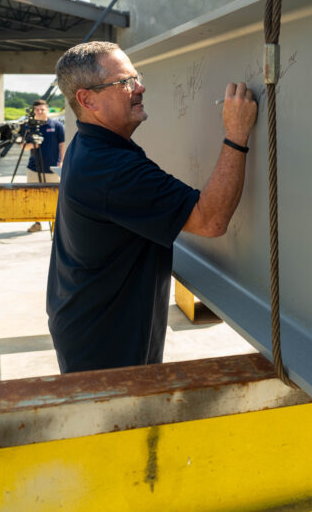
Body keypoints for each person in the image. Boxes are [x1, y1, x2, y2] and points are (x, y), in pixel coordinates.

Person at [47, 41, 257, 373]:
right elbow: (210, 220)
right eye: (124, 82)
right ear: (87, 100)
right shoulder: (109, 168)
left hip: (90, 324)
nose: (140, 88)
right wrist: (237, 133)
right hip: (105, 347)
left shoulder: (91, 145)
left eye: (136, 77)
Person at [21, 98, 65, 233]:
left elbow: (62, 144)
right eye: (37, 110)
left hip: (52, 168)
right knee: (33, 197)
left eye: (42, 109)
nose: (40, 112)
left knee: (54, 197)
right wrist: (32, 145)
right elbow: (24, 147)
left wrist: (62, 161)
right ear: (33, 111)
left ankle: (55, 225)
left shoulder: (57, 125)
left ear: (47, 110)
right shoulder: (28, 127)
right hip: (34, 168)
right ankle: (37, 223)